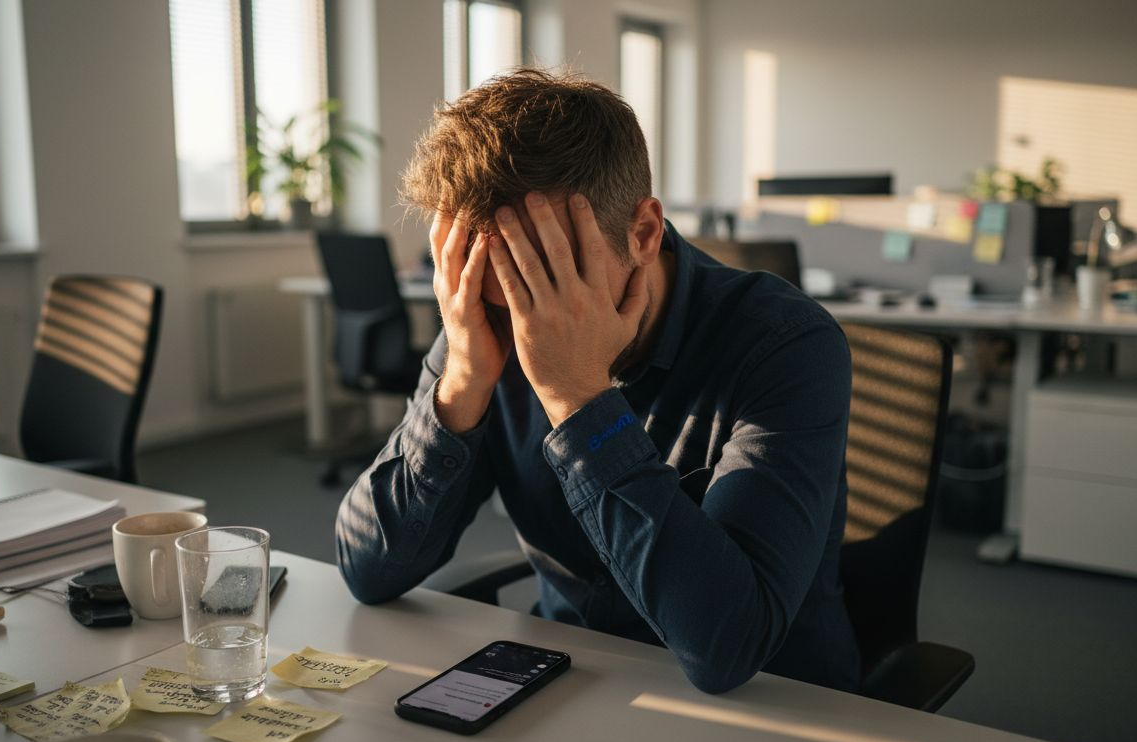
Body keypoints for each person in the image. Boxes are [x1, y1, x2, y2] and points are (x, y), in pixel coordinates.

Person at [335, 68, 859, 694]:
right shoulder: (483, 325)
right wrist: (463, 382)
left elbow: (729, 645)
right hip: (575, 683)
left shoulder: (785, 343)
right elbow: (368, 568)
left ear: (641, 234)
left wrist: (577, 397)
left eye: (545, 273)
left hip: (781, 710)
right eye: (486, 275)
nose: (520, 316)